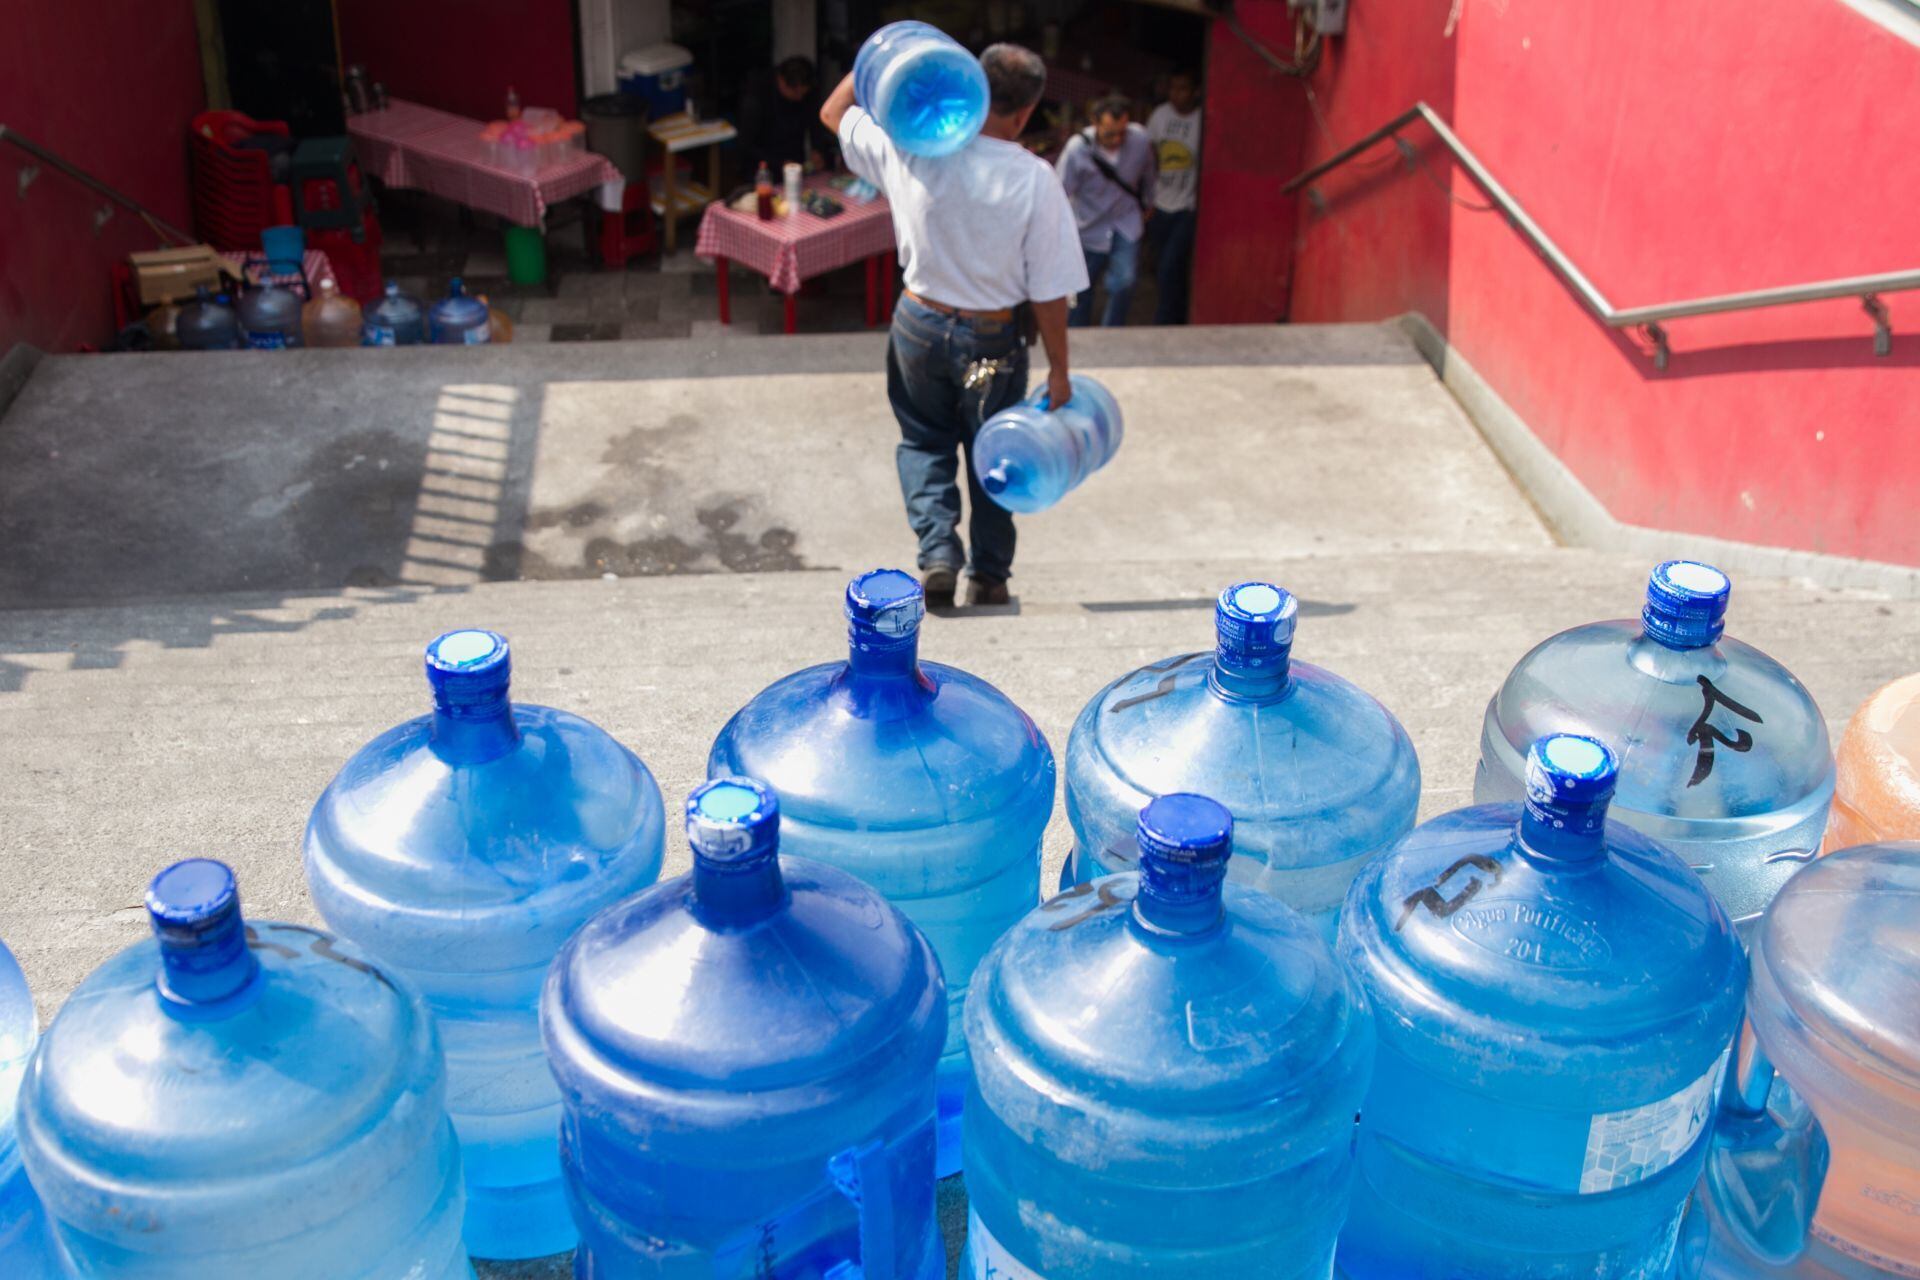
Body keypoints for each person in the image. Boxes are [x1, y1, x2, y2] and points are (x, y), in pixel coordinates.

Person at [822, 43, 1086, 608]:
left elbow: (833, 111)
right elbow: (1049, 293)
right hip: (990, 344)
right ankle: (989, 577)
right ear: (1027, 111)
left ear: (973, 86)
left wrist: (887, 51)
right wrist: (1061, 371)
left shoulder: (912, 147)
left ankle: (938, 554)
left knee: (923, 440)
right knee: (995, 453)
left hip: (917, 323)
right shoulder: (1034, 178)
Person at [1056, 94, 1157, 327]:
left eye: (1122, 133)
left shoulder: (1140, 140)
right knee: (1080, 289)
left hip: (1126, 221)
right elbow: (1059, 192)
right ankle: (1077, 338)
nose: (1117, 140)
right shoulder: (1077, 150)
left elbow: (1149, 173)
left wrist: (1150, 201)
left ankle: (1111, 334)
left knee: (1125, 281)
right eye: (1110, 134)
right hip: (1088, 226)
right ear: (1095, 122)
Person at [1145, 71, 1201, 324]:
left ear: (1195, 91)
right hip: (1160, 205)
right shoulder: (1160, 116)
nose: (1177, 95)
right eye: (1174, 88)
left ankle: (1164, 322)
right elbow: (1150, 156)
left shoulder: (1202, 120)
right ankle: (1176, 315)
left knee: (1170, 266)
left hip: (1186, 208)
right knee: (1166, 269)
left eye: (1184, 89)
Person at [739, 55, 832, 172]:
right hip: (763, 165)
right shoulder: (757, 97)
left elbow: (815, 123)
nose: (799, 97)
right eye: (795, 92)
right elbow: (747, 145)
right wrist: (779, 163)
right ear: (781, 81)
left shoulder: (806, 94)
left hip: (794, 158)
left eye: (803, 93)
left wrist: (817, 149)